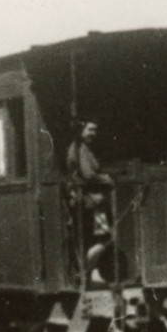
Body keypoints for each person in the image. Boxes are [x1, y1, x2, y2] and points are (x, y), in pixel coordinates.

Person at [66, 119, 114, 285]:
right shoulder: (79, 149)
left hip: (90, 200)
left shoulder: (83, 148)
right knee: (104, 238)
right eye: (90, 130)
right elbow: (88, 175)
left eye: (95, 130)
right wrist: (106, 179)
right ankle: (85, 271)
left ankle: (91, 272)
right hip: (90, 201)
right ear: (81, 131)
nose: (93, 133)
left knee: (94, 239)